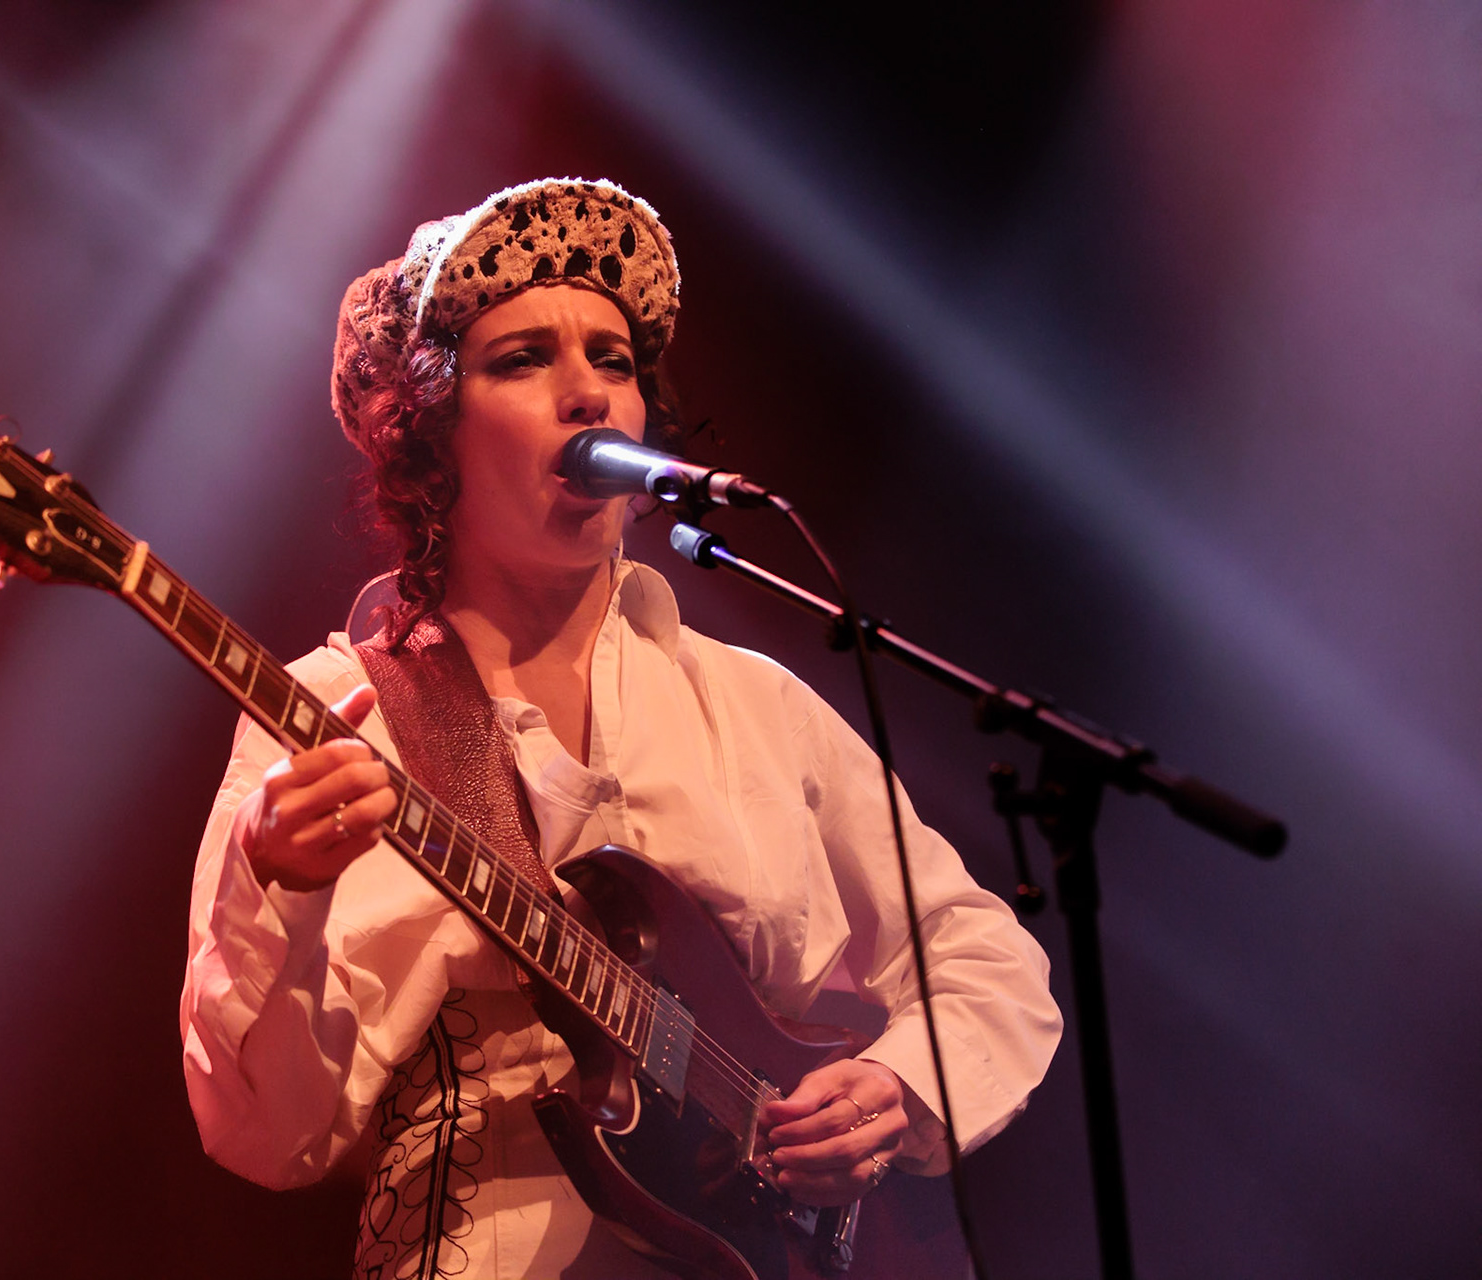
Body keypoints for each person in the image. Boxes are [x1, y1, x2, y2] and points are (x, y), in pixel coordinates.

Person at [180, 177, 1062, 1279]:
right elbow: (269, 1133)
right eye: (522, 359)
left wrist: (897, 1086)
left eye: (614, 358)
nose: (589, 392)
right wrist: (275, 881)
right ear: (429, 432)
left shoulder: (749, 699)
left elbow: (982, 956)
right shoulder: (334, 712)